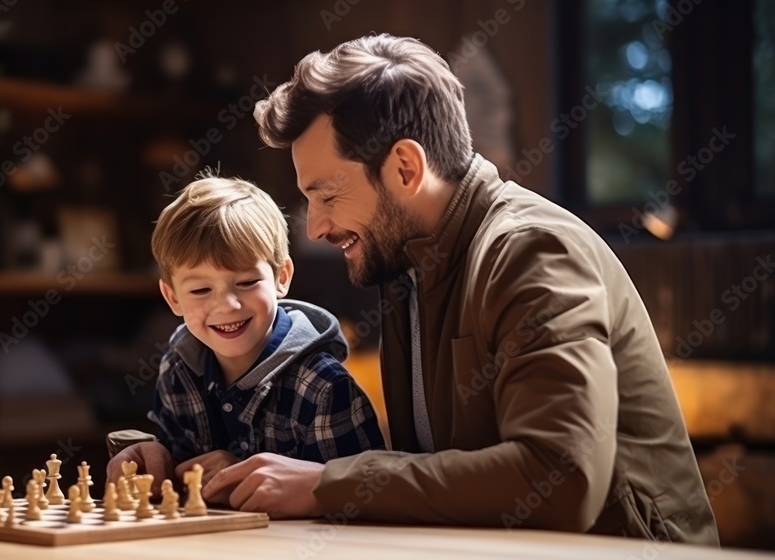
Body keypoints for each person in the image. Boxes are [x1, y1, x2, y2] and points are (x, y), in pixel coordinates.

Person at [201, 34, 720, 546]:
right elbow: (440, 478)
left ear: (406, 167)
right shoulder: (406, 262)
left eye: (329, 194)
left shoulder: (531, 251)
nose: (314, 227)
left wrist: (327, 485)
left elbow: (562, 478)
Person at [108, 173, 385, 496]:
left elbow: (364, 496)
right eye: (200, 289)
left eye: (246, 282)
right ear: (172, 297)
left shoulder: (324, 386)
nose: (226, 305)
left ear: (281, 277)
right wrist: (155, 457)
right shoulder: (178, 368)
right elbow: (179, 469)